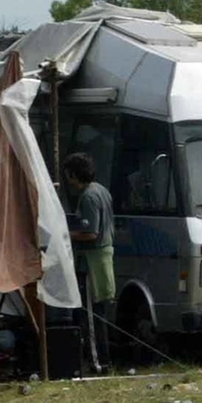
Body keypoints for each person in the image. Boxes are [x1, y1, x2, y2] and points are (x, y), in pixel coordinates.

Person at [63, 152, 116, 370]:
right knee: (99, 312)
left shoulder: (88, 197)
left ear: (75, 175)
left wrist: (65, 235)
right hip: (104, 259)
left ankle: (98, 362)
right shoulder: (102, 190)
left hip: (91, 263)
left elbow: (90, 233)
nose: (67, 180)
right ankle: (101, 359)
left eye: (68, 175)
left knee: (91, 316)